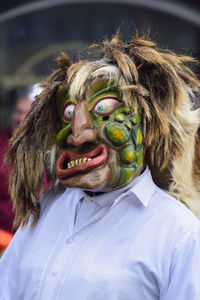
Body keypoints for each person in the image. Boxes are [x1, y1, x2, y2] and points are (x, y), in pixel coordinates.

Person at [0, 34, 200, 299]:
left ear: (146, 124)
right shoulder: (44, 213)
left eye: (104, 109)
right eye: (69, 114)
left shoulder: (178, 232)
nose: (78, 134)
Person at [0, 84, 43, 254]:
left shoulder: (50, 150)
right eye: (18, 111)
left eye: (27, 113)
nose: (20, 118)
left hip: (38, 246)